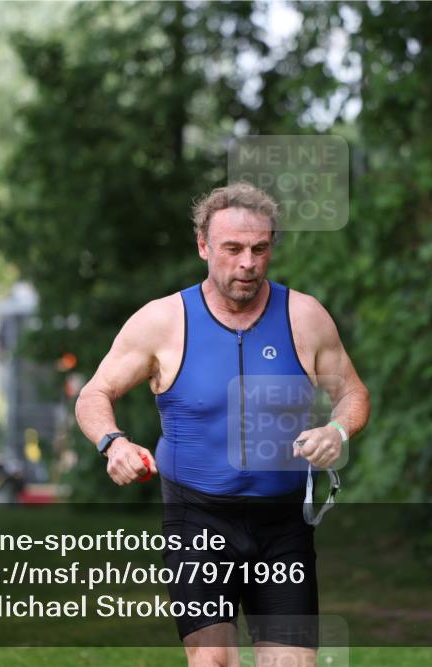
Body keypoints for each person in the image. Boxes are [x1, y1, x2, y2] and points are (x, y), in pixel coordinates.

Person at [75, 182, 371, 666]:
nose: (248, 263)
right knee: (214, 661)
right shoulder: (162, 322)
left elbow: (353, 393)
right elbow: (94, 393)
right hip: (198, 520)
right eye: (232, 249)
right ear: (203, 246)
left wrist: (336, 431)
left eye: (260, 249)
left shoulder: (305, 317)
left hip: (283, 526)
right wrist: (113, 444)